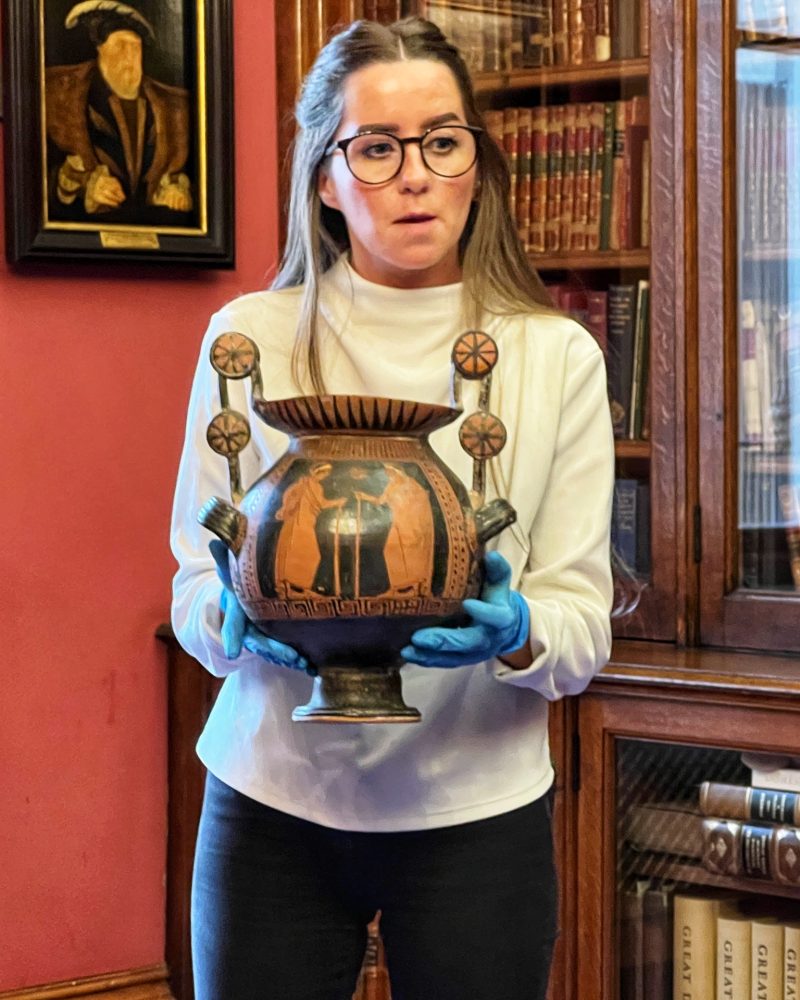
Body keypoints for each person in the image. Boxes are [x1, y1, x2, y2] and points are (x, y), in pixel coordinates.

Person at [170, 15, 614, 1000]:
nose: (413, 175)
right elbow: (194, 583)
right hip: (271, 798)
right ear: (324, 179)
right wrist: (235, 625)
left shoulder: (555, 356)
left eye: (440, 141)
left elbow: (582, 627)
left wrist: (515, 631)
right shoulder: (247, 341)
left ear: (475, 163)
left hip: (476, 813)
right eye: (375, 148)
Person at [45, 1, 192, 221]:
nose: (129, 58)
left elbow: (198, 177)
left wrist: (179, 193)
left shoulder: (175, 106)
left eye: (136, 47)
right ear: (100, 51)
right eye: (121, 46)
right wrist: (82, 188)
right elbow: (37, 176)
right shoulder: (59, 94)